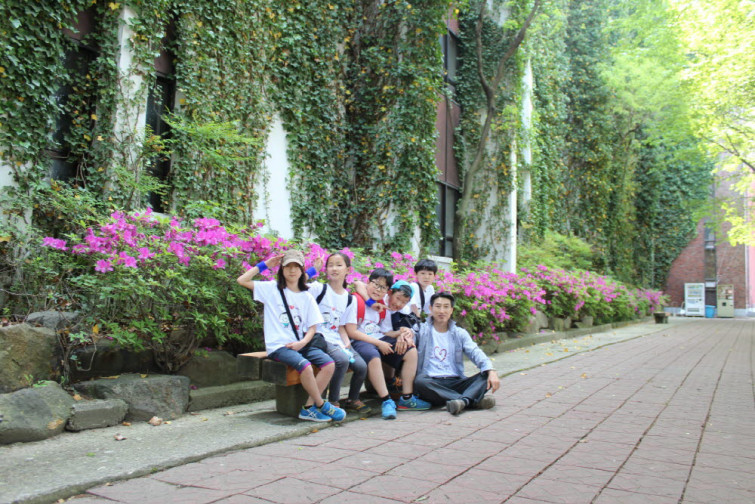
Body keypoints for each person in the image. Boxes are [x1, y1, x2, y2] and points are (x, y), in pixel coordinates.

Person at [236, 250, 346, 423]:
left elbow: (313, 327)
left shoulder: (306, 296)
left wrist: (302, 343)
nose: (292, 270)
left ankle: (309, 408)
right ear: (282, 269)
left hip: (301, 344)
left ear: (302, 270)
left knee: (329, 364)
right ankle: (321, 404)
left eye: (296, 266)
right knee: (306, 366)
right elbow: (242, 280)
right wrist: (265, 265)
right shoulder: (271, 289)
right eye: (288, 266)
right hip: (279, 346)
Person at [347, 269, 431, 417]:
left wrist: (403, 333)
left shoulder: (383, 305)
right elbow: (352, 332)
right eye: (376, 285)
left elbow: (386, 332)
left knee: (410, 349)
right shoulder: (357, 300)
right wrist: (379, 343)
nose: (379, 290)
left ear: (387, 290)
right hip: (361, 340)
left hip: (379, 338)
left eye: (383, 287)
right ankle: (386, 400)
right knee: (373, 356)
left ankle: (407, 398)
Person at [414, 291, 500, 415]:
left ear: (451, 310)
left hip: (456, 381)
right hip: (432, 383)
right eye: (438, 306)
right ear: (431, 309)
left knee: (486, 375)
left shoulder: (459, 333)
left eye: (446, 307)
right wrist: (404, 334)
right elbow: (409, 336)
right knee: (420, 382)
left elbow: (475, 352)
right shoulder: (421, 330)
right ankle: (470, 400)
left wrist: (491, 371)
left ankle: (460, 401)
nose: (442, 311)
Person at [307, 252, 371, 415]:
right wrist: (313, 270)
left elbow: (342, 326)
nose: (334, 268)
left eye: (339, 265)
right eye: (330, 265)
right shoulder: (318, 289)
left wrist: (346, 343)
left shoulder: (350, 299)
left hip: (337, 340)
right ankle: (333, 401)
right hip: (319, 337)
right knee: (342, 360)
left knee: (361, 366)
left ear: (348, 270)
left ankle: (352, 399)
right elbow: (297, 286)